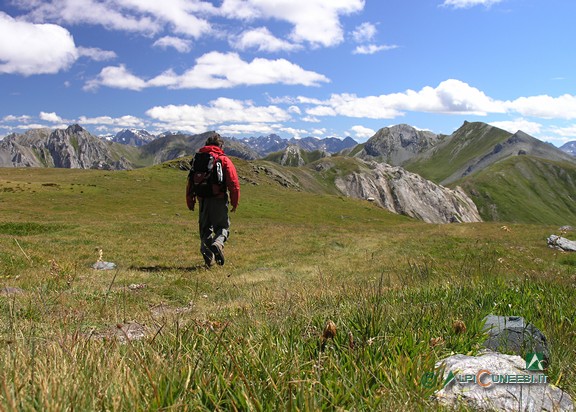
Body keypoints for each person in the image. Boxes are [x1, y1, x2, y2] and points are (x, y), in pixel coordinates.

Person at [186, 133, 240, 267]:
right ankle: (218, 244)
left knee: (205, 230)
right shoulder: (223, 159)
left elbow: (190, 180)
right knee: (222, 227)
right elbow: (233, 183)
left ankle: (208, 261)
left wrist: (190, 200)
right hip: (218, 199)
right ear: (220, 145)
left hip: (202, 199)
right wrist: (234, 202)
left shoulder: (198, 158)